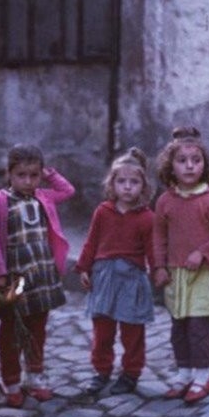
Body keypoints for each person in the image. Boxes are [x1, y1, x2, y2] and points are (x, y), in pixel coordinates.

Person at [0, 144, 75, 407]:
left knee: (38, 327)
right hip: (16, 277)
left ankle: (35, 375)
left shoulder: (43, 196)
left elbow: (67, 191)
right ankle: (10, 379)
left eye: (34, 175)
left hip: (42, 274)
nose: (28, 181)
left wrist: (49, 174)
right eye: (21, 175)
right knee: (12, 328)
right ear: (9, 174)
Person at [152, 126, 209, 404]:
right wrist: (159, 266)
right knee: (179, 328)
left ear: (205, 164)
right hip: (176, 274)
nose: (189, 166)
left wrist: (203, 252)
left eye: (196, 160)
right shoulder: (165, 201)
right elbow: (159, 235)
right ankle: (184, 373)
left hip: (204, 275)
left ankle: (203, 376)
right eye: (182, 161)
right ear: (170, 166)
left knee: (199, 328)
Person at [75, 147, 156, 396]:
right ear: (112, 183)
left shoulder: (146, 218)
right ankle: (101, 370)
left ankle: (131, 372)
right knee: (103, 330)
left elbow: (153, 249)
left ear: (143, 186)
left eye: (134, 182)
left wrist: (158, 270)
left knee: (132, 331)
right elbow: (92, 241)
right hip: (104, 277)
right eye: (122, 181)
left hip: (131, 278)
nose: (128, 187)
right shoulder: (103, 212)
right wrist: (83, 267)